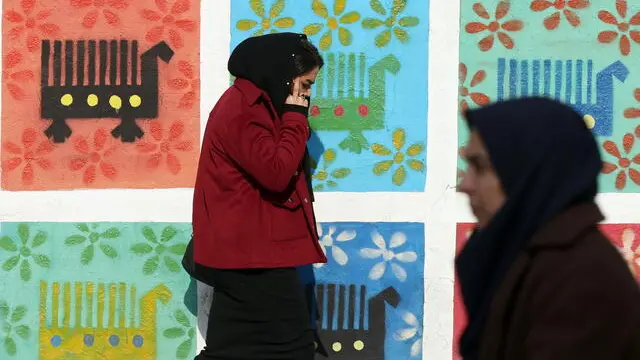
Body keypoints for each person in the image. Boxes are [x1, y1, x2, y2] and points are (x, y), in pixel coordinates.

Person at [456, 97, 640, 360]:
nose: (466, 185)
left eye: (481, 166)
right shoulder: (530, 258)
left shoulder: (580, 277)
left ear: (528, 172)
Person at [191, 32, 327, 360]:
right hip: (253, 254)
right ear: (281, 76)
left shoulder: (258, 106)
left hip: (251, 249)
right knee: (293, 348)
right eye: (304, 85)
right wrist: (296, 116)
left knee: (231, 350)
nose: (306, 95)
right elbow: (277, 173)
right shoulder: (243, 110)